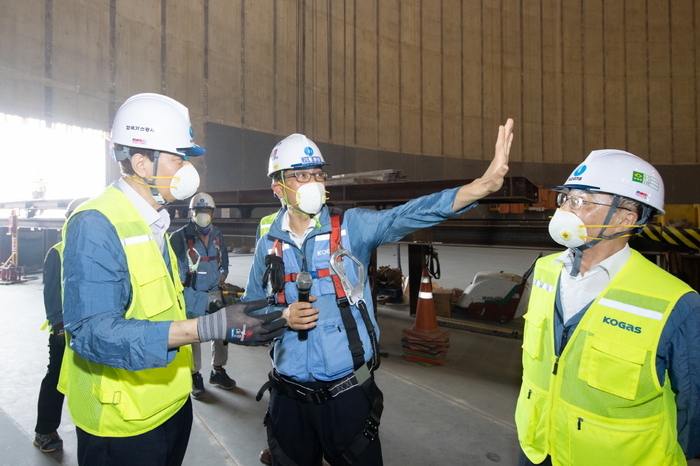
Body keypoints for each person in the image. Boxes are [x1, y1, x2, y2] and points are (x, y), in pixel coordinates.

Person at [244, 122, 514, 466]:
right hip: (288, 397)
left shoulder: (351, 227)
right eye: (301, 175)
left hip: (347, 396)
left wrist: (482, 186)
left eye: (318, 174)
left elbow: (410, 214)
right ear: (278, 189)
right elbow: (249, 313)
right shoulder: (268, 242)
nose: (313, 183)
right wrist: (280, 319)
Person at [59, 92, 285, 466]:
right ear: (142, 163)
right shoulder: (96, 224)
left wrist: (223, 311)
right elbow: (92, 333)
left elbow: (164, 302)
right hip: (122, 423)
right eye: (178, 158)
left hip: (168, 405)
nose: (186, 170)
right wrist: (206, 327)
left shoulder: (155, 223)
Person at [515, 150, 700, 466]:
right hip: (537, 446)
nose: (564, 210)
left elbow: (692, 405)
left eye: (581, 201)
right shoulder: (546, 270)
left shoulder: (675, 302)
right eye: (566, 199)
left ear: (624, 219)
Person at [33, 197, 87, 453]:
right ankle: (44, 430)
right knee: (56, 377)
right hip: (65, 331)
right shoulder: (58, 252)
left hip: (92, 329)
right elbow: (52, 292)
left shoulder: (95, 250)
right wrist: (58, 325)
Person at [171, 192, 234, 399]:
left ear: (212, 213)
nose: (203, 215)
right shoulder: (179, 236)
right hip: (193, 294)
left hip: (214, 289)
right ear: (192, 212)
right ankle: (194, 374)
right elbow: (171, 263)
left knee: (220, 332)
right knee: (193, 336)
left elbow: (222, 254)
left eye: (207, 211)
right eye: (199, 211)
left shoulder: (217, 233)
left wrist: (223, 272)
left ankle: (218, 370)